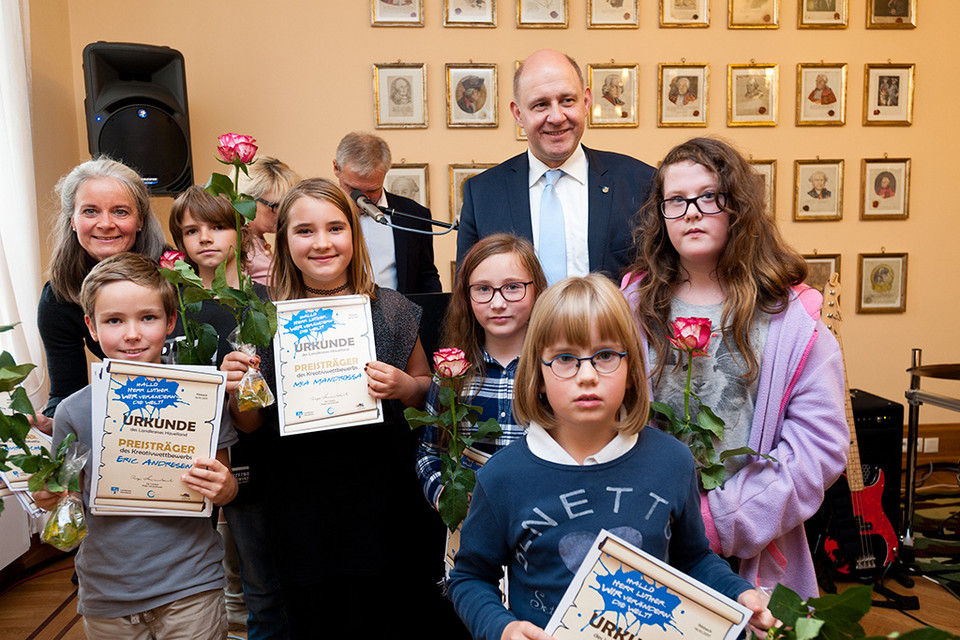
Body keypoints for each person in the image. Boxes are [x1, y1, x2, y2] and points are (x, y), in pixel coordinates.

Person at [446, 274, 774, 640]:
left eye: (604, 356)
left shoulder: (671, 461)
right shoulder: (502, 478)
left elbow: (693, 558)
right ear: (538, 375)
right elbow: (470, 576)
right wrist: (501, 628)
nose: (587, 376)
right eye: (565, 359)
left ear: (631, 371)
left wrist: (739, 593)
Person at [621, 137, 848, 599]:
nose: (691, 212)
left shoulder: (794, 320)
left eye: (708, 196)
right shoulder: (629, 307)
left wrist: (719, 522)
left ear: (737, 207)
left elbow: (817, 450)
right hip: (642, 538)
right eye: (675, 201)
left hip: (750, 553)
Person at [219, 178, 440, 635]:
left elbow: (425, 389)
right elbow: (252, 424)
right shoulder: (262, 317)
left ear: (354, 236)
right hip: (299, 502)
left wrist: (403, 385)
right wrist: (240, 388)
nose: (322, 243)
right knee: (314, 615)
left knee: (389, 613)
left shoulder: (391, 309)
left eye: (335, 228)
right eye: (304, 231)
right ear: (284, 240)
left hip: (384, 497)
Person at [32, 252, 238, 638]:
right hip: (108, 594)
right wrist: (55, 497)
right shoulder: (73, 412)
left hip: (192, 587)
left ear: (170, 321)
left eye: (148, 317)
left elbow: (223, 487)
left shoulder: (200, 398)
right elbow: (71, 501)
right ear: (91, 327)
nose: (131, 334)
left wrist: (226, 488)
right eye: (114, 320)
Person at [167, 186, 279, 637]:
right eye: (192, 231)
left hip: (258, 455)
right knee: (202, 581)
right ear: (179, 242)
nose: (205, 238)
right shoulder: (172, 304)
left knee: (263, 580)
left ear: (240, 230)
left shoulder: (264, 302)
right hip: (189, 459)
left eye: (216, 227)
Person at [456, 49, 656, 286]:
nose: (557, 117)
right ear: (518, 114)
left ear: (586, 102)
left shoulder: (640, 182)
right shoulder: (482, 194)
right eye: (540, 105)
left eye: (567, 101)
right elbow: (469, 292)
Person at [415, 234, 547, 508]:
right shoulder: (451, 375)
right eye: (483, 289)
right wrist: (446, 498)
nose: (498, 303)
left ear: (537, 290)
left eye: (513, 287)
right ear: (467, 295)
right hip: (474, 528)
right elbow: (429, 454)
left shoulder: (555, 370)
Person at [36, 157, 167, 431]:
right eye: (91, 211)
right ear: (72, 220)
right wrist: (56, 422)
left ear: (140, 220)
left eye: (120, 211)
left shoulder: (175, 271)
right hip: (124, 423)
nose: (105, 224)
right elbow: (67, 390)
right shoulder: (59, 297)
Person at [333, 131, 442, 294]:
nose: (362, 199)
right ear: (336, 168)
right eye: (354, 189)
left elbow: (426, 275)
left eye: (372, 190)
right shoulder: (320, 216)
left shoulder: (414, 215)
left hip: (397, 314)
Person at [236, 156, 300, 287]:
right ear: (246, 202)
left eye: (287, 206)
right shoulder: (237, 244)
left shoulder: (258, 240)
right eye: (276, 206)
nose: (284, 213)